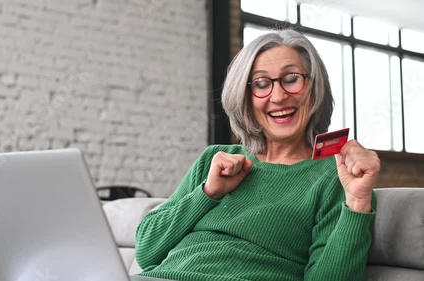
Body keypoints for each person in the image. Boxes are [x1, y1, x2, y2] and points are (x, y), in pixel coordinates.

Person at [134, 29, 380, 281]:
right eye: (261, 84)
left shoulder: (336, 175)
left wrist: (358, 204)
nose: (279, 96)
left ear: (314, 89)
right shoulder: (214, 160)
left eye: (292, 78)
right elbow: (146, 252)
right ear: (245, 97)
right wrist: (208, 193)